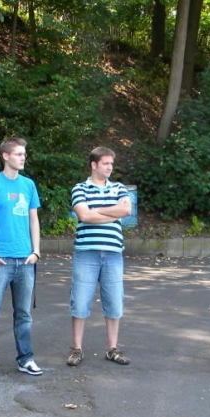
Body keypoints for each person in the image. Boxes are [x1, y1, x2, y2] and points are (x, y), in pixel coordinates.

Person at [0, 137, 43, 382]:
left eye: (24, 154)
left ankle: (25, 359)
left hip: (25, 261)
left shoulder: (28, 185)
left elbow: (33, 220)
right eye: (18, 154)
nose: (23, 157)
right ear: (5, 156)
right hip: (0, 260)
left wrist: (36, 252)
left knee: (24, 314)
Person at [67, 146, 132, 368]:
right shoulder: (80, 188)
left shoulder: (119, 188)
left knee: (114, 302)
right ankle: (76, 349)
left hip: (113, 254)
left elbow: (126, 211)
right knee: (80, 301)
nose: (110, 167)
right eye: (106, 163)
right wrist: (111, 212)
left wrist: (98, 211)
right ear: (94, 165)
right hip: (86, 252)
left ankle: (112, 349)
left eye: (111, 164)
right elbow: (84, 215)